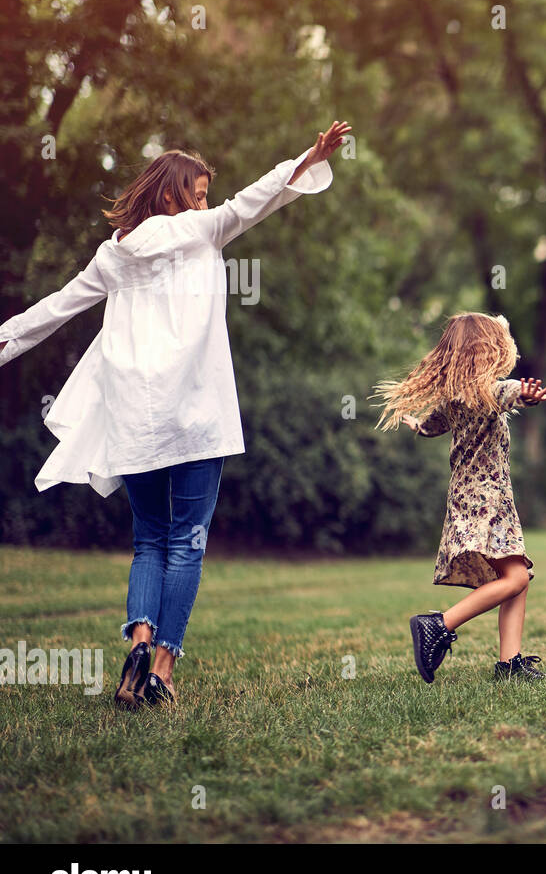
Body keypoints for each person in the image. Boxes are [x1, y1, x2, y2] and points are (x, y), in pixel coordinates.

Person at [0, 121, 352, 706]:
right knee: (187, 543)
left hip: (135, 422)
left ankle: (138, 637)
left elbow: (56, 308)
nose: (207, 202)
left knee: (148, 542)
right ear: (173, 196)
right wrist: (308, 158)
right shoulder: (204, 230)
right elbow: (258, 199)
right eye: (199, 192)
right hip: (195, 418)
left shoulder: (112, 255)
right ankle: (161, 670)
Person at [373, 312, 546, 682]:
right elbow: (509, 392)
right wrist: (525, 394)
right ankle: (438, 624)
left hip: (475, 498)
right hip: (486, 500)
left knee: (516, 573)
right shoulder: (490, 391)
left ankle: (510, 663)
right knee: (517, 579)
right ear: (491, 351)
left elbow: (432, 425)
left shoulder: (456, 397)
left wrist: (419, 426)